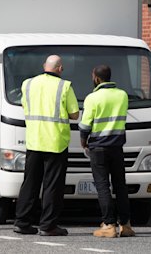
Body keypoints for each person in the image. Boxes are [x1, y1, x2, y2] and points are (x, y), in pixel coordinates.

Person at [13, 55, 80, 236]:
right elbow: (75, 115)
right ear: (60, 69)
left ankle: (22, 222)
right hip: (55, 142)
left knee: (30, 183)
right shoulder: (64, 86)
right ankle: (48, 225)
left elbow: (24, 105)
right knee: (52, 185)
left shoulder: (27, 84)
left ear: (44, 66)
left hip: (34, 140)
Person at [79, 65, 135, 238]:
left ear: (96, 78)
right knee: (120, 185)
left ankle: (109, 225)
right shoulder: (123, 95)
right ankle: (125, 225)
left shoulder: (92, 98)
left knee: (103, 185)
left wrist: (83, 141)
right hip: (117, 147)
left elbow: (85, 124)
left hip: (98, 147)